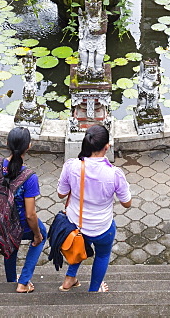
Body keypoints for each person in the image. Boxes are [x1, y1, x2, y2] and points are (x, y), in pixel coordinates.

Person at [57, 125, 132, 292]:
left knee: (79, 245)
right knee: (103, 255)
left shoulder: (71, 166)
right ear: (107, 146)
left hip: (76, 224)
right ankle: (94, 290)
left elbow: (61, 194)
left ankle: (69, 279)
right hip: (102, 227)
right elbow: (127, 203)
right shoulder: (115, 174)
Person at [0, 127, 46, 293]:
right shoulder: (29, 177)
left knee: (10, 246)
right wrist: (36, 235)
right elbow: (30, 215)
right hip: (21, 224)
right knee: (42, 234)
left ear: (7, 143)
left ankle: (10, 281)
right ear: (28, 146)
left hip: (1, 221)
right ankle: (23, 281)